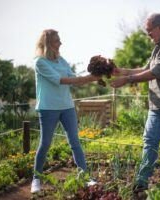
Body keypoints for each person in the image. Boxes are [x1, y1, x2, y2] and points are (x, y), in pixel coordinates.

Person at [111, 13, 160, 193]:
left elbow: (156, 72)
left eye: (150, 31)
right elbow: (146, 69)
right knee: (149, 141)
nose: (148, 35)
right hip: (156, 104)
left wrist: (128, 80)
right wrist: (121, 71)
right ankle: (142, 181)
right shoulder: (158, 47)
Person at [31, 29, 99, 193]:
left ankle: (84, 176)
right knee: (45, 144)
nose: (60, 43)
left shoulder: (61, 60)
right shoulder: (40, 62)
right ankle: (36, 179)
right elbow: (61, 80)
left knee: (75, 142)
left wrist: (94, 75)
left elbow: (74, 78)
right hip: (48, 108)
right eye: (57, 40)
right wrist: (90, 78)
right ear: (48, 43)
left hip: (67, 106)